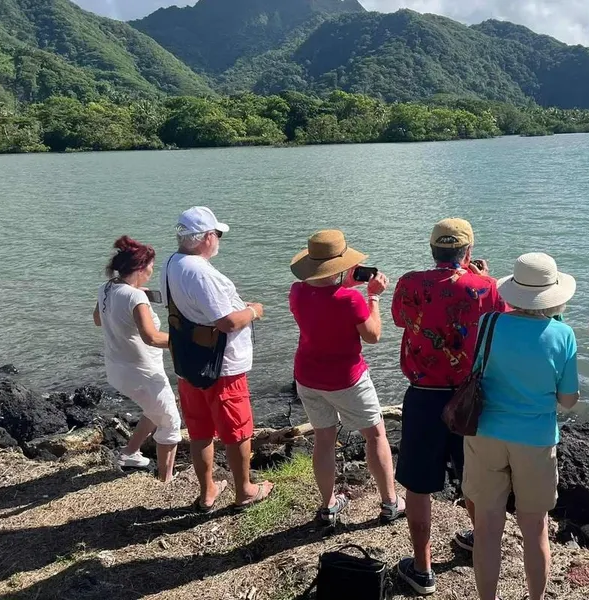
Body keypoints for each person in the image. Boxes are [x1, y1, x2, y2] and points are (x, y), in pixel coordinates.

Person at [392, 218, 507, 595]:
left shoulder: (409, 282)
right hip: (469, 397)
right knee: (472, 478)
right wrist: (483, 279)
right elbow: (501, 323)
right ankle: (477, 540)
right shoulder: (485, 288)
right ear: (468, 251)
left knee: (418, 485)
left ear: (432, 250)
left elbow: (399, 320)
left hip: (423, 394)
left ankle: (422, 569)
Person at [462, 252, 578, 600]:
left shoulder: (489, 323)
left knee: (486, 529)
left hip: (485, 433)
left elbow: (477, 369)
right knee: (535, 529)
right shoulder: (563, 334)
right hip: (536, 441)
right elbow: (569, 399)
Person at [289, 229, 405, 525]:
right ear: (340, 264)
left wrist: (342, 283)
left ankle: (328, 506)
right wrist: (373, 297)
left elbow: (323, 300)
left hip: (308, 377)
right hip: (347, 379)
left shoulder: (297, 291)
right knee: (375, 434)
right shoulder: (351, 300)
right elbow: (374, 336)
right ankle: (390, 502)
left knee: (324, 439)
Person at [161, 206, 272, 511]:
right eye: (217, 234)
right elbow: (226, 322)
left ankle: (208, 490)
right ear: (207, 237)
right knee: (237, 432)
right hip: (220, 366)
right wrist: (253, 310)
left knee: (199, 431)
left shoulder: (172, 262)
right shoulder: (201, 272)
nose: (219, 239)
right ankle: (245, 489)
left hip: (188, 362)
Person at [93, 236, 180, 482]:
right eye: (152, 265)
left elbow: (98, 320)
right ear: (142, 268)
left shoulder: (107, 288)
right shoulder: (136, 298)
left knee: (156, 408)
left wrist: (130, 303)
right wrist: (187, 341)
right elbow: (151, 337)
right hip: (142, 372)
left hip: (117, 369)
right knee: (171, 423)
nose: (153, 269)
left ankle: (130, 452)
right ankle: (166, 480)